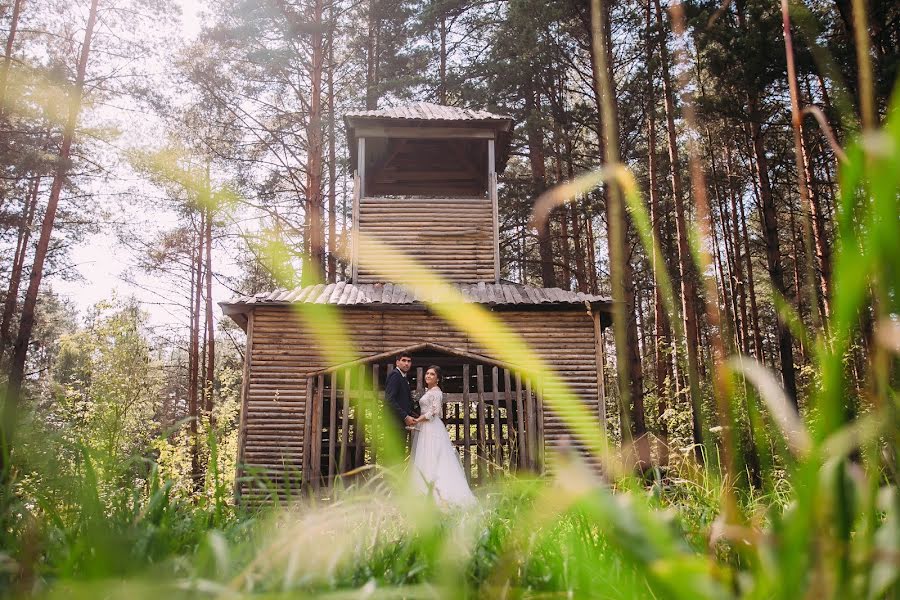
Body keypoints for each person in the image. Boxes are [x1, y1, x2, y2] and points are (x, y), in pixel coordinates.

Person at [409, 365, 476, 507]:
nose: (428, 376)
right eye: (427, 373)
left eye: (432, 374)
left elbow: (434, 412)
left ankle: (441, 494)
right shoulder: (429, 391)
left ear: (438, 379)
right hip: (425, 428)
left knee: (434, 457)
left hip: (432, 428)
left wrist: (417, 420)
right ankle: (425, 492)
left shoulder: (437, 392)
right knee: (426, 458)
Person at [383, 352, 417, 460]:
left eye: (409, 361)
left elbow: (403, 401)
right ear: (397, 362)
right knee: (393, 457)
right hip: (394, 425)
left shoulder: (403, 378)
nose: (406, 363)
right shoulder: (395, 375)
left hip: (399, 425)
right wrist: (405, 417)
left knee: (398, 457)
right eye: (404, 360)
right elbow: (389, 400)